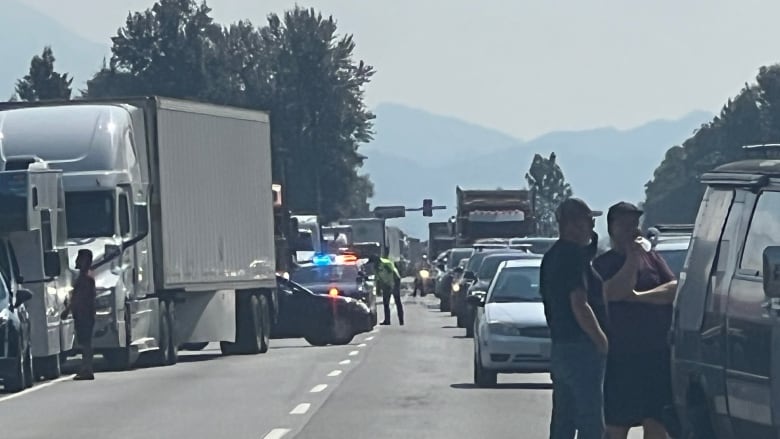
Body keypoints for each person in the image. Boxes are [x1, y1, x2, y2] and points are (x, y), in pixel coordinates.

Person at [592, 202, 678, 439]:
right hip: (621, 357)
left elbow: (673, 289)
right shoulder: (602, 265)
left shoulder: (652, 259)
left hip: (655, 353)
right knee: (616, 425)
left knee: (657, 421)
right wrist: (631, 258)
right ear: (611, 229)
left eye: (635, 224)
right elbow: (616, 291)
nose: (633, 230)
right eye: (625, 225)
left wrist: (640, 297)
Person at [540, 198, 609, 439]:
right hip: (581, 347)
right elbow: (579, 303)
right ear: (574, 224)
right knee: (590, 419)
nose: (592, 227)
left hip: (561, 346)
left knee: (564, 419)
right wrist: (600, 339)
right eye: (589, 221)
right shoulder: (572, 257)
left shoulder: (552, 256)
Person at [61, 249, 97, 380]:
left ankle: (87, 369)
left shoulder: (86, 279)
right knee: (85, 342)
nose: (76, 261)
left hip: (85, 315)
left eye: (79, 258)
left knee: (86, 343)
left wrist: (67, 310)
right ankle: (86, 368)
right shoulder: (85, 278)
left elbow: (80, 298)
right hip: (84, 314)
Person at [367, 254, 404, 325]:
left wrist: (392, 286)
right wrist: (378, 289)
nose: (372, 265)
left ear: (376, 261)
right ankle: (387, 320)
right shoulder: (376, 267)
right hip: (386, 283)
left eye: (372, 263)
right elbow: (378, 279)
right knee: (386, 303)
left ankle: (401, 321)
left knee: (397, 301)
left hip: (395, 281)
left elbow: (392, 274)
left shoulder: (386, 263)